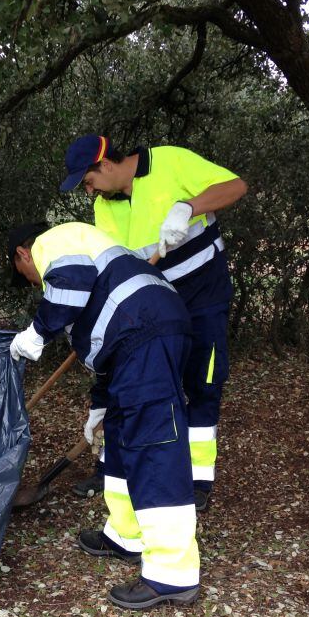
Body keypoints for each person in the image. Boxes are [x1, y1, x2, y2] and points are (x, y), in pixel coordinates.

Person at [8, 221, 199, 610]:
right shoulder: (88, 261)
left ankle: (172, 573)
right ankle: (126, 536)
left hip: (146, 331)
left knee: (153, 444)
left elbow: (67, 293)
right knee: (118, 439)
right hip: (137, 337)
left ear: (22, 255)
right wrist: (99, 405)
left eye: (27, 277)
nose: (35, 284)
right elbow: (100, 346)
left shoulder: (52, 244)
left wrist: (36, 332)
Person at [60, 136, 247, 511]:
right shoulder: (104, 207)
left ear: (106, 165)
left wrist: (186, 207)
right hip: (153, 309)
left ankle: (197, 480)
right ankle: (110, 467)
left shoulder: (169, 161)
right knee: (125, 382)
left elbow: (236, 186)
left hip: (203, 298)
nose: (89, 190)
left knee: (201, 384)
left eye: (88, 180)